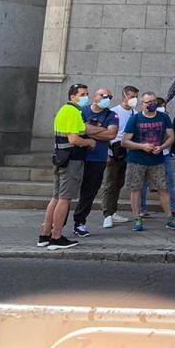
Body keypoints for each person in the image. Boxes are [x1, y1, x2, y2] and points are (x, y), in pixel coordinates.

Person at [40, 85, 96, 249]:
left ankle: (45, 234)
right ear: (73, 96)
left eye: (87, 94)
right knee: (64, 199)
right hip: (71, 160)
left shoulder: (64, 110)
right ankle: (56, 237)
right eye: (82, 94)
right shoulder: (73, 112)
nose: (85, 97)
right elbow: (74, 139)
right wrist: (89, 142)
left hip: (60, 158)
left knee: (56, 197)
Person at [122, 92, 175, 233]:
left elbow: (171, 136)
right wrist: (142, 146)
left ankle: (169, 218)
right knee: (136, 189)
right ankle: (137, 218)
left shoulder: (164, 117)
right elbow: (125, 141)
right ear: (142, 104)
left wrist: (162, 147)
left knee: (163, 189)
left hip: (157, 160)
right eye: (148, 102)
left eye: (153, 101)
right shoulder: (135, 119)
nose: (151, 104)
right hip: (136, 160)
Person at [72, 87, 120, 237]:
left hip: (98, 159)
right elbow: (80, 129)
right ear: (95, 96)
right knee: (67, 192)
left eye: (110, 97)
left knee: (89, 192)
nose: (107, 99)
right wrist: (100, 129)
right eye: (104, 95)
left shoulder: (112, 115)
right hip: (77, 157)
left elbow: (111, 134)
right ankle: (57, 221)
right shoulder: (82, 111)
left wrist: (89, 129)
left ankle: (79, 222)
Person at [100, 86, 137, 228]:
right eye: (132, 96)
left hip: (127, 152)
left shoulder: (135, 113)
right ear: (125, 96)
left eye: (135, 96)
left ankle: (113, 211)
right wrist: (106, 153)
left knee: (119, 183)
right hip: (113, 151)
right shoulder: (113, 112)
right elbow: (106, 133)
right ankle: (107, 214)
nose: (134, 99)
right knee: (110, 183)